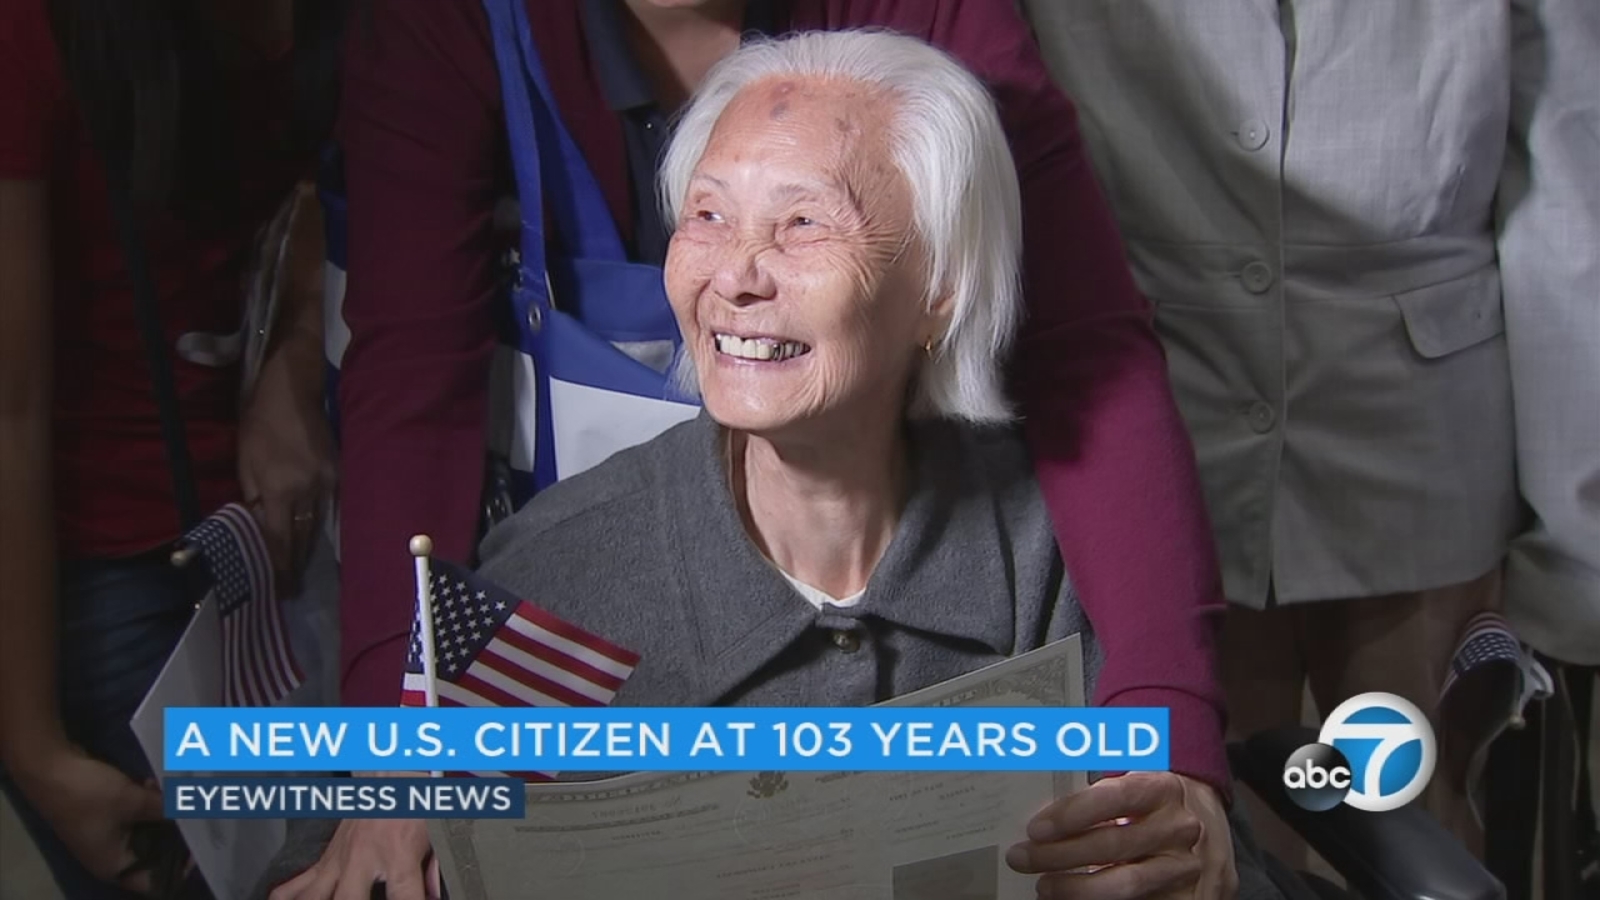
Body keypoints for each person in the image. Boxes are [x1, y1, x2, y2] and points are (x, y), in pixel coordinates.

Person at [265, 31, 1292, 900]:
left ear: (939, 289)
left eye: (803, 224)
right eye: (706, 218)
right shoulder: (551, 587)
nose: (735, 278)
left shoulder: (1073, 562)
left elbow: (1192, 846)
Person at [1020, 0, 1600, 864]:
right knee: (1213, 833)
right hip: (1165, 441)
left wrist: (1578, 546)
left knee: (1423, 831)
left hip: (1422, 460)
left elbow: (1567, 209)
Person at [0, 0, 341, 896]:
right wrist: (32, 745)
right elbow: (13, 406)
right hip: (112, 576)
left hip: (297, 540)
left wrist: (292, 358)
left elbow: (327, 201)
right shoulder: (36, 40)